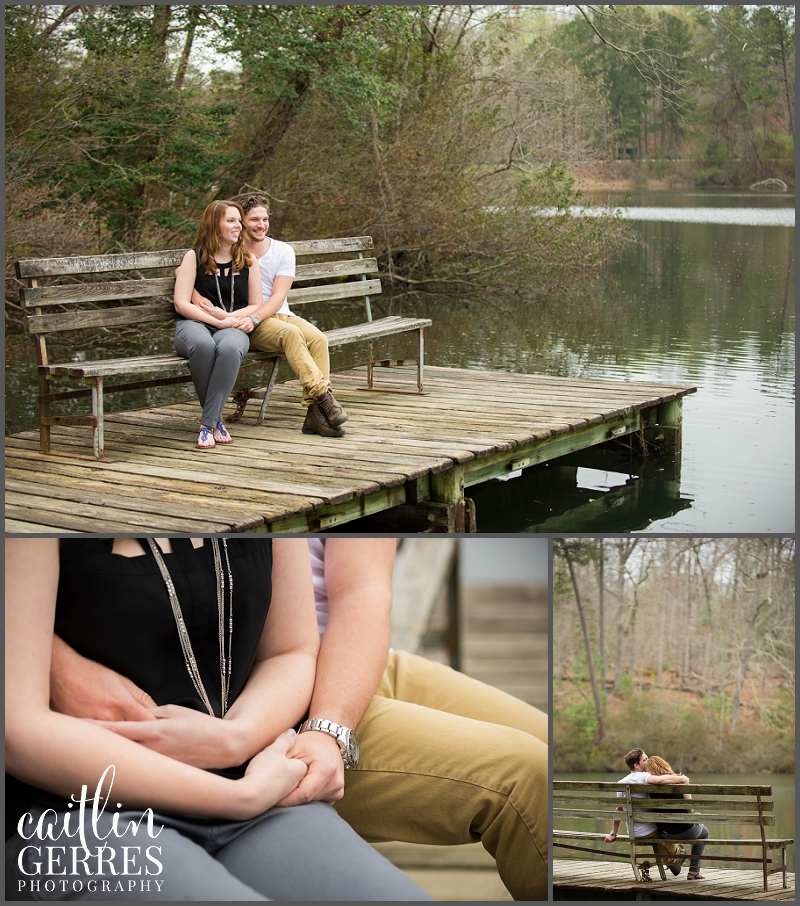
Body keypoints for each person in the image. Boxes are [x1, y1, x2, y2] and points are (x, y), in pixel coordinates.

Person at [45, 538, 548, 901]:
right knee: (525, 776)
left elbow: (362, 591)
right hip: (270, 695)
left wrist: (329, 728)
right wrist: (52, 661)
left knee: (554, 758)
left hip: (343, 669)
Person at [229, 194, 349, 438]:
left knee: (318, 339)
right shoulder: (230, 250)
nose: (260, 225)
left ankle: (315, 416)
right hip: (247, 322)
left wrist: (258, 317)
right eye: (253, 220)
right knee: (290, 334)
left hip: (279, 314)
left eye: (264, 219)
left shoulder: (282, 250)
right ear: (241, 222)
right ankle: (325, 399)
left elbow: (278, 296)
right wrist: (252, 320)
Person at [173, 200, 262, 449]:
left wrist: (228, 320)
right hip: (194, 325)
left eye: (238, 221)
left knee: (231, 348)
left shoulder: (247, 259)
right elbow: (181, 303)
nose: (238, 226)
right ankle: (215, 421)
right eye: (230, 221)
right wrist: (217, 320)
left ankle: (207, 424)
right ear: (215, 224)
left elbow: (256, 304)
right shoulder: (195, 257)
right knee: (202, 345)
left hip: (233, 325)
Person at [604, 748, 687, 875]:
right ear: (637, 765)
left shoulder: (621, 783)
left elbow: (619, 810)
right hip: (652, 831)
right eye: (645, 760)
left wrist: (613, 833)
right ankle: (677, 854)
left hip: (634, 833)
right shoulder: (643, 777)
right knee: (664, 831)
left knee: (659, 837)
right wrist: (682, 779)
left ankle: (671, 862)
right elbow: (660, 780)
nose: (648, 761)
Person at [646, 755, 709, 880]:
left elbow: (651, 811)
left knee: (705, 832)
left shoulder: (648, 788)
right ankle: (693, 872)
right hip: (687, 831)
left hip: (665, 834)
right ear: (665, 765)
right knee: (699, 818)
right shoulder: (680, 781)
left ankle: (692, 871)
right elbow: (690, 810)